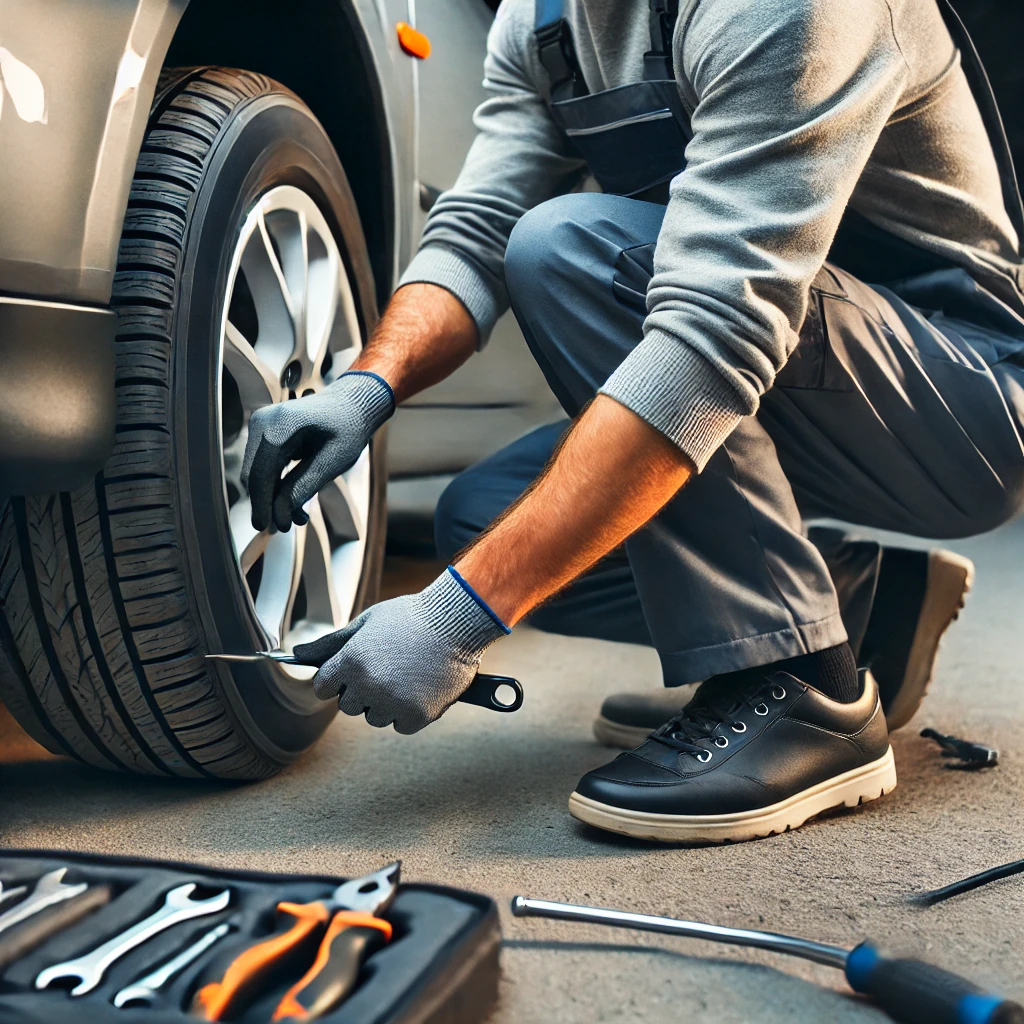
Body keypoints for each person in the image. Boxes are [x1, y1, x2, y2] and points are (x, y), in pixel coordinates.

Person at [242, 0, 1024, 843]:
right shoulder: (542, 23)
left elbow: (710, 337)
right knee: (480, 517)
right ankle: (864, 606)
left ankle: (803, 687)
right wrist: (366, 388)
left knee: (570, 248)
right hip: (789, 368)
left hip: (962, 401)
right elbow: (473, 232)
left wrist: (452, 619)